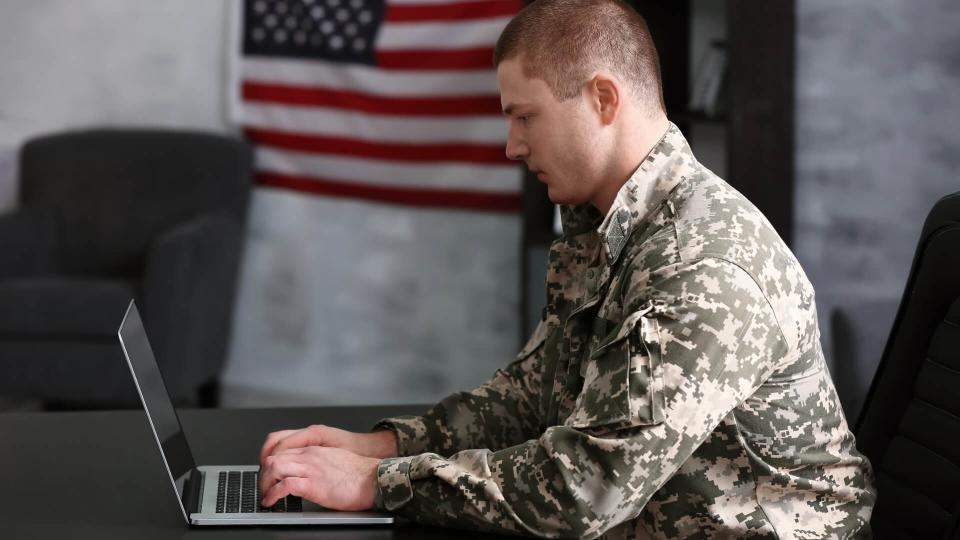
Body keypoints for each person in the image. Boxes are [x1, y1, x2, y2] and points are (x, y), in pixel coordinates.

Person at [257, 0, 877, 537]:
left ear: (603, 99)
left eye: (525, 116)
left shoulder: (702, 263)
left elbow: (587, 488)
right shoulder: (606, 222)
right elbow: (537, 394)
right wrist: (388, 445)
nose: (512, 146)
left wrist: (379, 482)